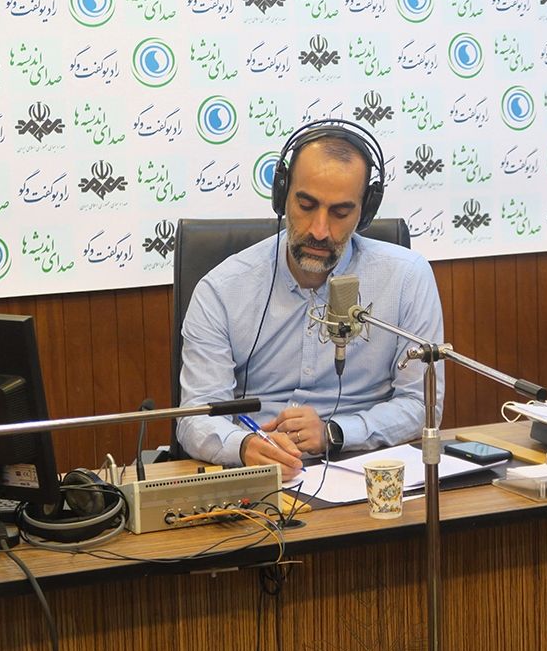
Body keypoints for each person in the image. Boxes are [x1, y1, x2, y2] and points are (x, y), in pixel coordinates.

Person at [177, 121, 445, 480]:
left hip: (366, 471)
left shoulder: (406, 277)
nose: (320, 230)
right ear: (282, 195)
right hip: (258, 476)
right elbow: (195, 417)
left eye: (340, 213)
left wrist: (336, 432)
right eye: (306, 205)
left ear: (365, 212)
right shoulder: (222, 289)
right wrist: (243, 446)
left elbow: (421, 404)